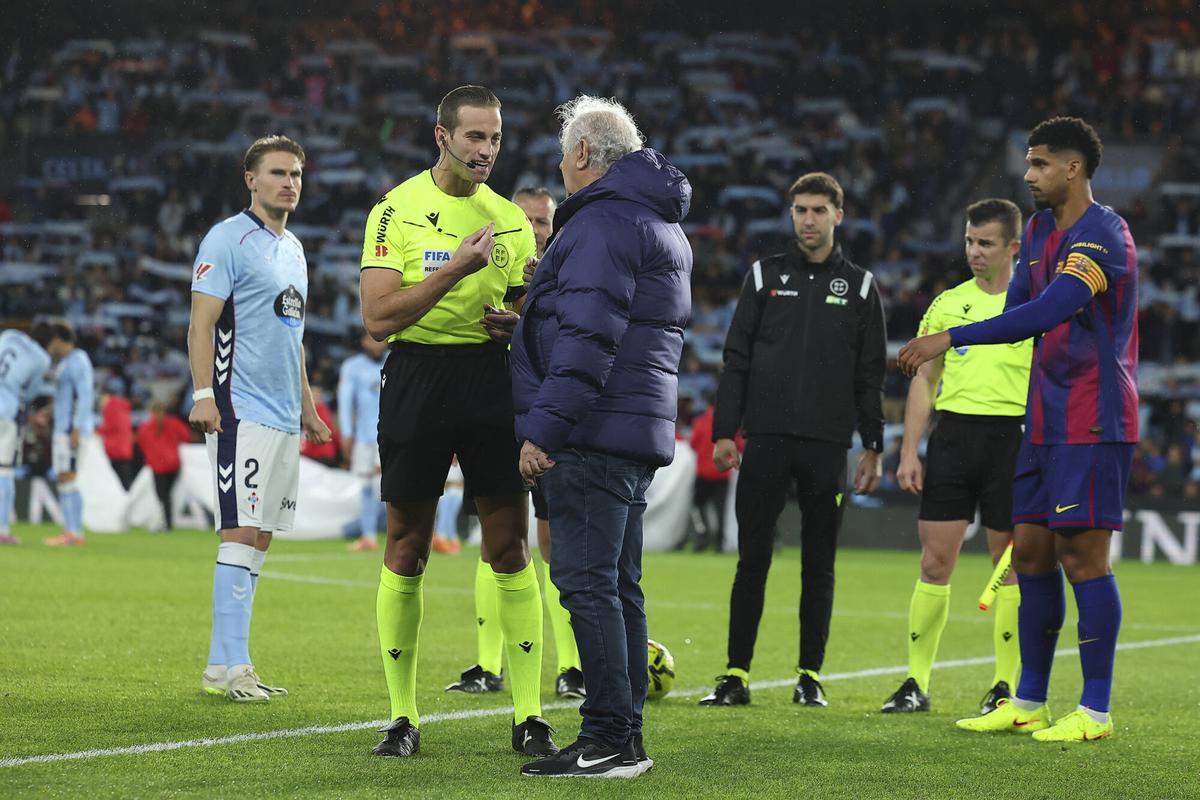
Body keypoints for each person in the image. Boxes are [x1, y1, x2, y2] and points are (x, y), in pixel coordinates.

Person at [899, 117, 1137, 743]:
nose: (1028, 175)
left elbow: (1050, 308)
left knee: (1083, 559)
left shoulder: (1104, 235)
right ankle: (1028, 699)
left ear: (1073, 168)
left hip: (1092, 417)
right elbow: (1015, 315)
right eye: (1028, 164)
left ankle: (1095, 710)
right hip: (1042, 420)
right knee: (1028, 556)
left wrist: (950, 336)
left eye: (1038, 164)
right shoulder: (1034, 231)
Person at [358, 85, 554, 759]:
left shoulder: (509, 220)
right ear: (441, 136)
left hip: (490, 378)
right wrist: (458, 269)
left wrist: (522, 322)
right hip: (416, 376)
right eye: (474, 136)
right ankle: (403, 717)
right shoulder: (395, 211)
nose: (487, 150)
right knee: (407, 546)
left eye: (495, 137)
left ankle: (529, 714)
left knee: (509, 548)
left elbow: (542, 320)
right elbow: (379, 319)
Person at [512, 95, 693, 778]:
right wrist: (533, 318)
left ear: (584, 153)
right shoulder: (654, 220)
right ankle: (626, 736)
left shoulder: (600, 223)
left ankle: (609, 737)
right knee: (619, 586)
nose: (561, 167)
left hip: (591, 429)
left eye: (564, 154)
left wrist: (542, 429)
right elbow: (612, 323)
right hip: (633, 424)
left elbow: (590, 340)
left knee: (587, 585)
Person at [700, 172, 887, 708]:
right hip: (765, 442)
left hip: (827, 446)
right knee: (752, 559)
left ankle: (809, 675)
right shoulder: (763, 277)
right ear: (791, 214)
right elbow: (736, 359)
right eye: (800, 210)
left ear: (838, 216)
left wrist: (871, 444)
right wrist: (723, 431)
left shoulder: (860, 286)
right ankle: (735, 674)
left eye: (818, 210)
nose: (808, 220)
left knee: (818, 563)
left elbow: (870, 374)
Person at [187, 134, 331, 703]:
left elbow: (293, 337)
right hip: (238, 410)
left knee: (262, 537)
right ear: (251, 179)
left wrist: (309, 410)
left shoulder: (294, 249)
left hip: (281, 417)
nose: (289, 182)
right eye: (277, 173)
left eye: (296, 173)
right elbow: (201, 325)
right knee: (240, 531)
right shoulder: (226, 239)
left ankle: (226, 663)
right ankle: (233, 664)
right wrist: (203, 395)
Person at [879, 199, 1031, 715]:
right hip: (954, 439)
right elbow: (925, 380)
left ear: (1013, 247)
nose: (974, 251)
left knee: (1009, 568)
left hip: (1014, 439)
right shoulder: (947, 305)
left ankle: (1004, 686)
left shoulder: (1033, 305)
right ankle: (915, 683)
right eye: (969, 241)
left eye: (985, 243)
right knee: (935, 561)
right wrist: (909, 452)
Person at [447, 185, 585, 700]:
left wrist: (526, 322)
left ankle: (570, 667)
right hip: (494, 416)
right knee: (497, 540)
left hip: (545, 419)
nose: (533, 230)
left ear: (554, 227)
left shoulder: (567, 278)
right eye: (524, 220)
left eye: (542, 222)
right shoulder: (492, 270)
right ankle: (487, 665)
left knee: (553, 544)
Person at [0, 321, 54, 545]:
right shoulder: (42, 358)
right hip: (6, 410)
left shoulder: (10, 335)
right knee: (5, 471)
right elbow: (30, 392)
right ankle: (2, 529)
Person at [45, 319, 95, 547]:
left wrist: (76, 426)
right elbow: (66, 395)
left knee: (69, 478)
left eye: (50, 342)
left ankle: (74, 532)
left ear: (57, 340)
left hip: (69, 430)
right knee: (64, 478)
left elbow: (84, 396)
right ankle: (70, 530)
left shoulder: (78, 360)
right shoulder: (65, 363)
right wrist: (46, 413)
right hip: (62, 428)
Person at [338, 332, 388, 552]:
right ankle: (369, 536)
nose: (378, 345)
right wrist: (347, 433)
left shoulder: (393, 360)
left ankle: (392, 533)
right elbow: (345, 400)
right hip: (364, 437)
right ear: (363, 341)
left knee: (384, 485)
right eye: (371, 340)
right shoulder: (352, 367)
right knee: (366, 485)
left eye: (381, 340)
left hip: (390, 435)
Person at [686, 401, 743, 551]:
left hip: (704, 473)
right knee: (721, 510)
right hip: (722, 473)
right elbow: (739, 445)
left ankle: (703, 535)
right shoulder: (730, 425)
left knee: (697, 506)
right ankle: (719, 543)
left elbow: (693, 444)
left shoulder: (700, 421)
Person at [136, 399, 193, 531]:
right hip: (173, 464)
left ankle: (165, 523)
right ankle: (167, 521)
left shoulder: (146, 427)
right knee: (167, 495)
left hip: (158, 465)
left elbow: (141, 443)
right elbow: (186, 436)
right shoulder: (173, 423)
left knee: (162, 496)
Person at [96, 378, 135, 489]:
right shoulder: (121, 406)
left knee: (119, 482)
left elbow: (112, 426)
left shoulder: (112, 407)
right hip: (124, 449)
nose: (100, 403)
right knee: (124, 480)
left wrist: (97, 431)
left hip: (116, 450)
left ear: (106, 396)